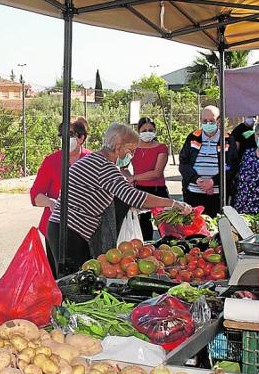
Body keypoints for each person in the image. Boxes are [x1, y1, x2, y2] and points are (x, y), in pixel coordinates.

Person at [49, 122, 194, 276]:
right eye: (130, 150)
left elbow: (125, 197)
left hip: (64, 229)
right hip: (69, 233)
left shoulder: (94, 160)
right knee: (75, 282)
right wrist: (172, 203)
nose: (131, 156)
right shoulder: (103, 166)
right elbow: (135, 197)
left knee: (76, 280)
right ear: (118, 147)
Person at [29, 117, 91, 235]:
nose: (65, 139)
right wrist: (50, 202)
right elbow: (35, 195)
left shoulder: (92, 160)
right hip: (54, 228)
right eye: (62, 135)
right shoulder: (51, 161)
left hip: (83, 228)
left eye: (70, 135)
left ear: (81, 138)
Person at [178, 105, 231, 217]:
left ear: (219, 121)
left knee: (217, 225)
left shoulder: (227, 139)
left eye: (211, 121)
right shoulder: (193, 137)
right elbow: (183, 163)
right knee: (193, 225)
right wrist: (197, 179)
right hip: (193, 193)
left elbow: (231, 165)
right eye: (205, 121)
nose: (208, 123)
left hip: (217, 195)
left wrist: (213, 181)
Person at [129, 117, 170, 240]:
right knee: (143, 227)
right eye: (144, 130)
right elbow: (122, 166)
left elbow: (157, 172)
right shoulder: (132, 148)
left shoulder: (161, 148)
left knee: (165, 225)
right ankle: (146, 249)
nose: (147, 133)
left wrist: (133, 177)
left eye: (150, 130)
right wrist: (128, 178)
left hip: (158, 190)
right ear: (138, 131)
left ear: (155, 131)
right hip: (139, 190)